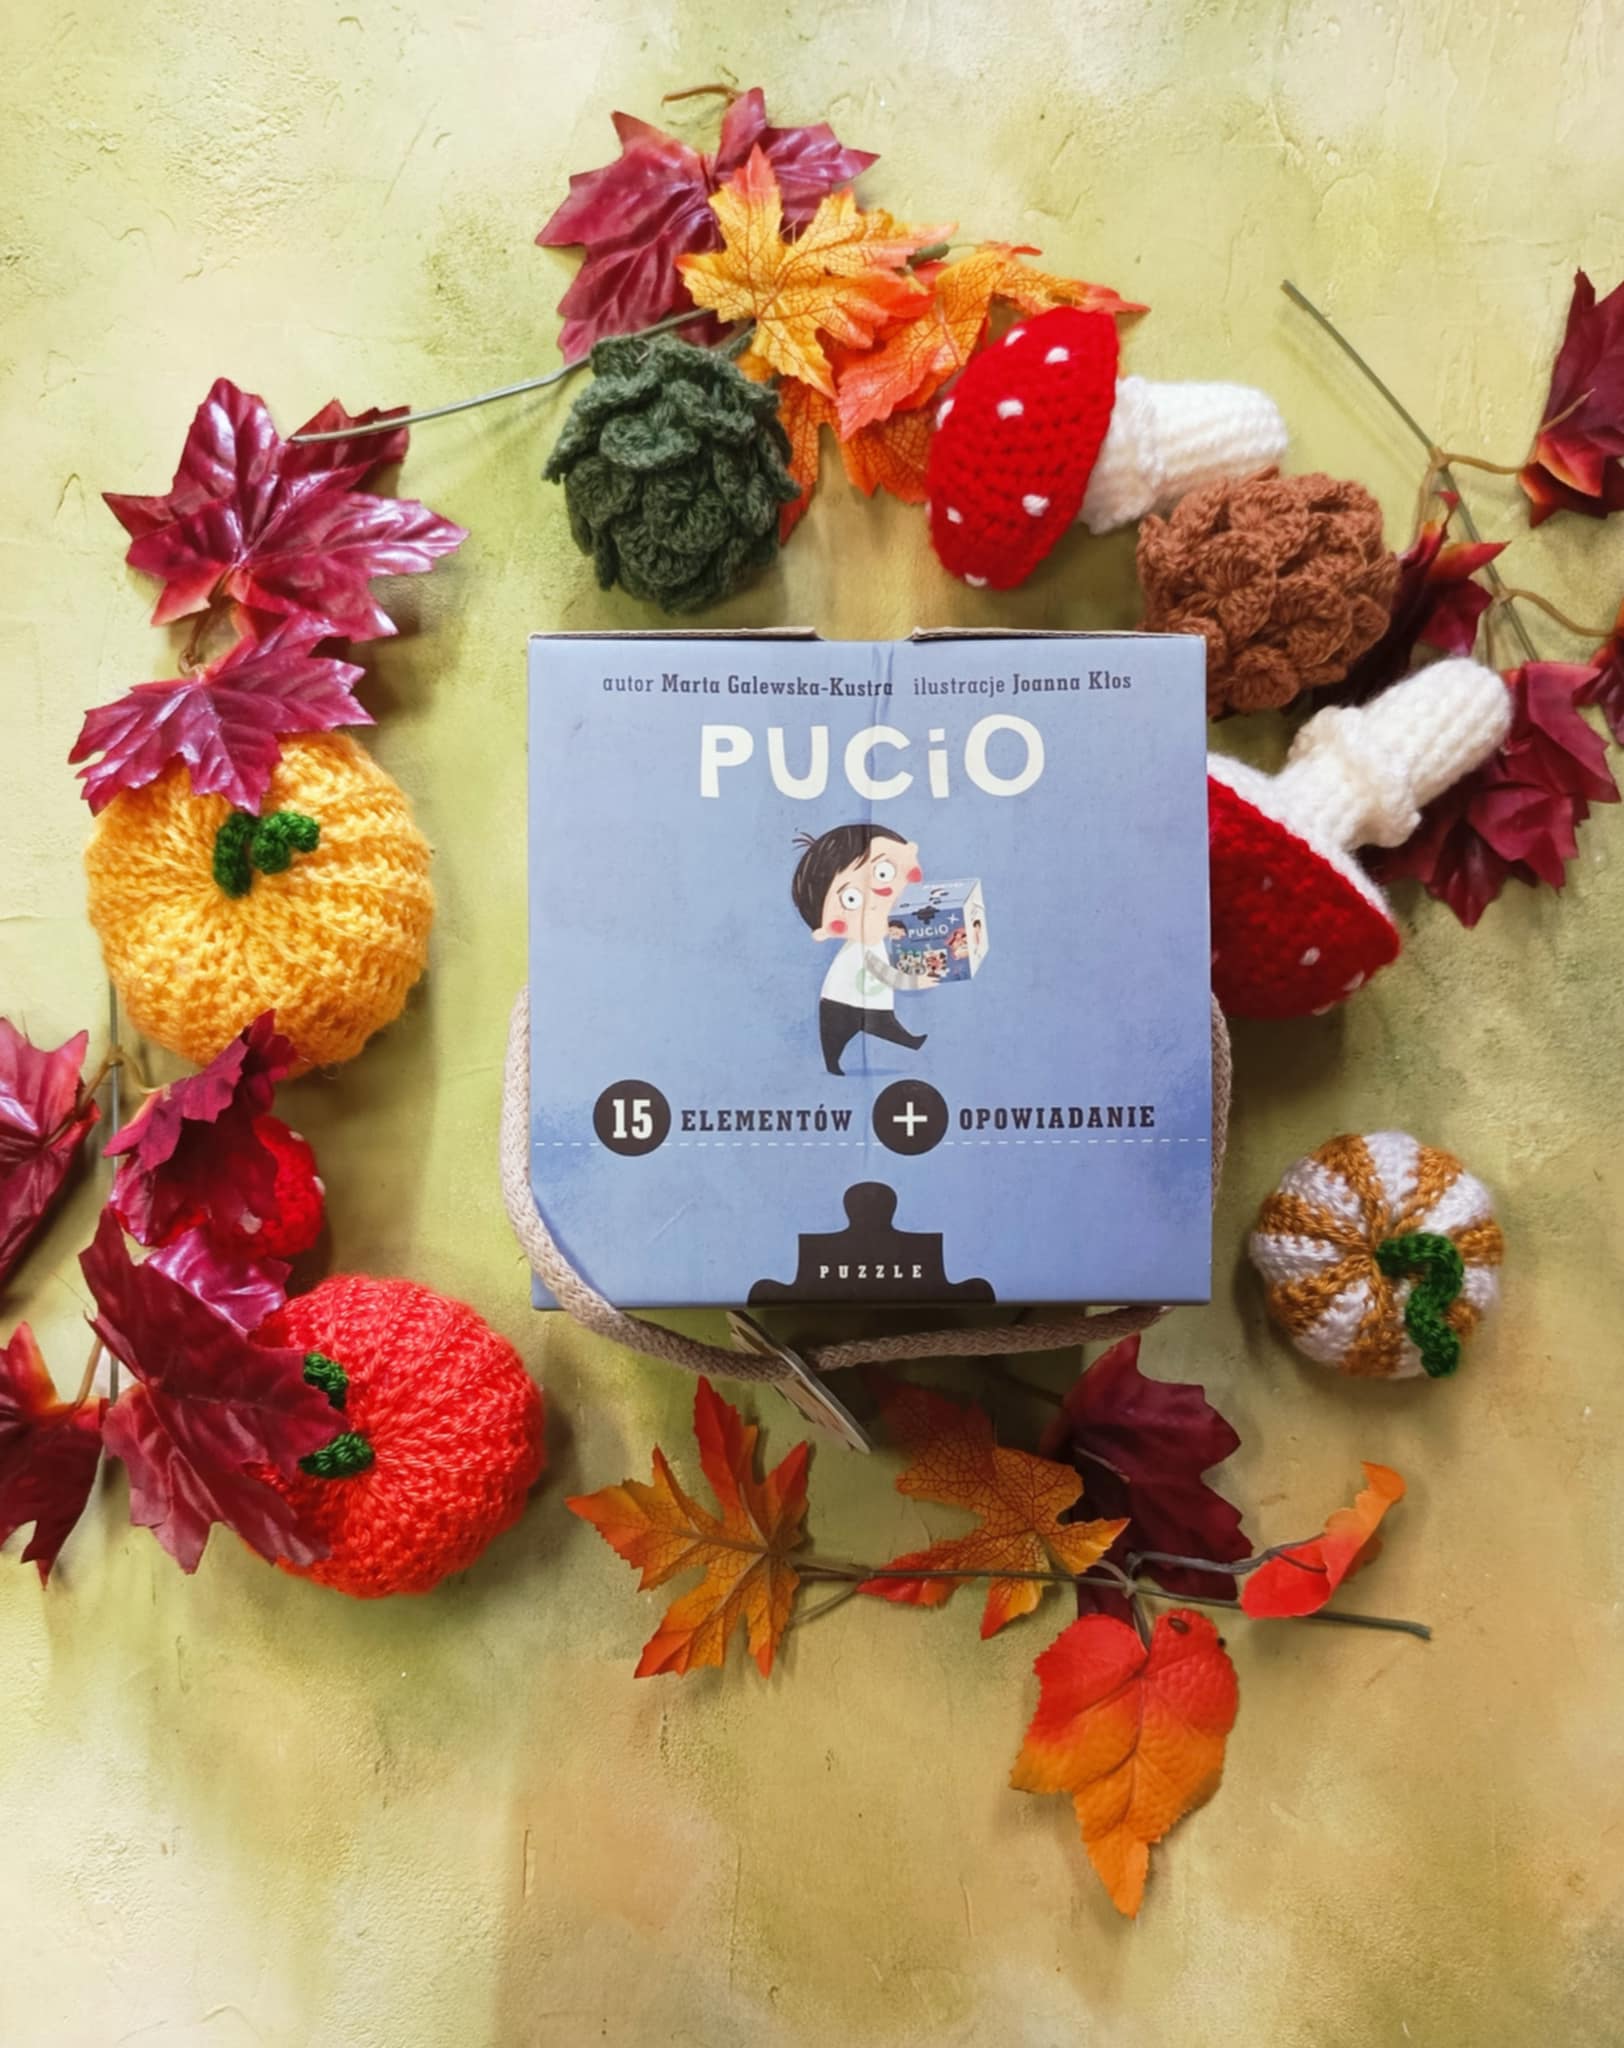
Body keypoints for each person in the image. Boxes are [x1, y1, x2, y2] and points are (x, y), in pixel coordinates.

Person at [790, 823, 943, 1077]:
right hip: (841, 1003)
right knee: (839, 1037)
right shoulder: (863, 950)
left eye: (883, 872)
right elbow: (886, 974)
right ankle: (833, 1063)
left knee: (883, 1024)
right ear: (824, 930)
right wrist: (917, 982)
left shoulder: (871, 941)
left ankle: (907, 1042)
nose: (875, 899)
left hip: (865, 1000)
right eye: (851, 898)